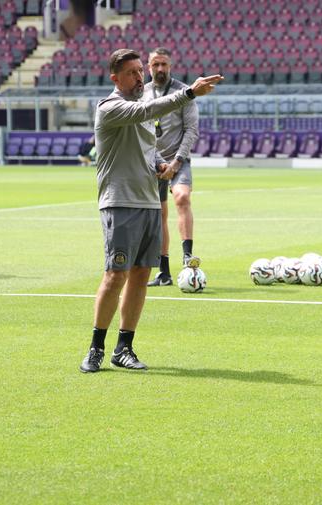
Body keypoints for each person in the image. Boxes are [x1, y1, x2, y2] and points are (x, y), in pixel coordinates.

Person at [79, 49, 222, 373]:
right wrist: (188, 93)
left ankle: (124, 348)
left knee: (142, 276)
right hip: (120, 202)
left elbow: (146, 149)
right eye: (132, 72)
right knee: (115, 276)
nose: (139, 77)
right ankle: (96, 347)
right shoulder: (110, 107)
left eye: (140, 71)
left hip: (147, 202)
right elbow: (148, 109)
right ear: (115, 78)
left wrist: (158, 163)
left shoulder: (141, 115)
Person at [143, 47, 201, 287]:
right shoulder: (143, 94)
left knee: (182, 197)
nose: (160, 69)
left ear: (170, 66)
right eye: (155, 64)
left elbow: (191, 130)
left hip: (179, 159)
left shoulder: (183, 92)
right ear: (148, 67)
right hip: (153, 162)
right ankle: (164, 271)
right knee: (159, 216)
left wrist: (176, 161)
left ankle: (188, 256)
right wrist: (160, 161)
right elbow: (143, 131)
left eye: (164, 64)